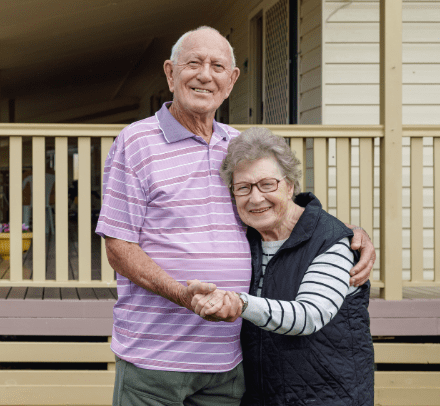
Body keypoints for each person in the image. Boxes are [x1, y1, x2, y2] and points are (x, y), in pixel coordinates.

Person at [95, 26, 375, 406]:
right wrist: (183, 295)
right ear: (170, 73)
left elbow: (279, 209)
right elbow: (118, 247)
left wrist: (347, 234)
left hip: (228, 361)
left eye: (217, 66)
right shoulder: (136, 142)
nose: (204, 75)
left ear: (232, 80)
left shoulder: (239, 146)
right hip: (154, 360)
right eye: (193, 63)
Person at [189, 127, 374, 406]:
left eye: (267, 184)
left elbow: (309, 315)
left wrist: (240, 304)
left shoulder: (332, 242)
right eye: (243, 187)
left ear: (289, 186)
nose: (255, 198)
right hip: (261, 395)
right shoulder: (243, 239)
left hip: (327, 397)